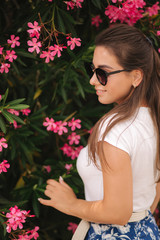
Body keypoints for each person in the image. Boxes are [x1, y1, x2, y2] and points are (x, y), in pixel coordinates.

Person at [39, 24, 160, 239]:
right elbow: (152, 191)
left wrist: (70, 204)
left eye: (103, 73)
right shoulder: (153, 119)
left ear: (136, 77)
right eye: (93, 70)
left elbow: (117, 213)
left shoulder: (115, 128)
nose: (92, 80)